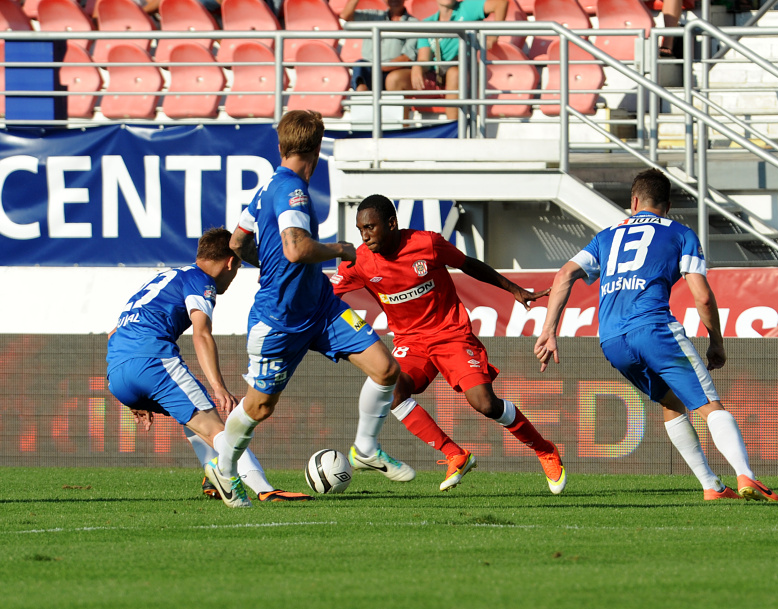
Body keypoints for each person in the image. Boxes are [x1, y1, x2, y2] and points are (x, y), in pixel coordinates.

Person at [535, 169, 778, 502]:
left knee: (671, 402)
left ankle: (711, 486)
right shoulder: (680, 233)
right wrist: (717, 343)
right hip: (653, 328)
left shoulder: (606, 235)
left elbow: (566, 274)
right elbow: (703, 296)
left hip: (611, 340)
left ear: (633, 201)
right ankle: (747, 477)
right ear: (667, 206)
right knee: (710, 404)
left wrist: (549, 331)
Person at [213, 111, 414, 509]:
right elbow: (295, 248)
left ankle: (365, 449)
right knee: (260, 406)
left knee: (387, 370)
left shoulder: (267, 184)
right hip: (281, 318)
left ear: (281, 146)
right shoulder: (293, 189)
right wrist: (340, 249)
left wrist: (268, 262)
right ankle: (224, 468)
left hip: (320, 306)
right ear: (318, 149)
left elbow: (237, 243)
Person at [331, 194, 567, 493]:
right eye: (360, 229)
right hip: (411, 342)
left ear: (392, 223)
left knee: (485, 403)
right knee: (393, 391)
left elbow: (469, 265)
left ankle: (544, 449)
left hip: (451, 334)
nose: (364, 235)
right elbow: (325, 294)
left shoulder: (426, 244)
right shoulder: (360, 260)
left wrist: (514, 289)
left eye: (370, 228)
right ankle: (454, 454)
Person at [106, 228, 313, 505]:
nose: (235, 273)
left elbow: (112, 335)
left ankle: (213, 479)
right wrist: (218, 386)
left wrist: (133, 396)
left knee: (195, 420)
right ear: (230, 262)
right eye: (238, 266)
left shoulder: (167, 277)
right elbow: (201, 332)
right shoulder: (200, 280)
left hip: (116, 374)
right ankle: (264, 488)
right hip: (153, 361)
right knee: (218, 429)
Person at [410, 0, 508, 121]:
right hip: (439, 74)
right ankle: (393, 132)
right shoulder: (428, 23)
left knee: (454, 73)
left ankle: (453, 132)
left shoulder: (467, 7)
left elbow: (501, 3)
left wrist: (494, 36)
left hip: (466, 71)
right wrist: (417, 66)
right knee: (395, 80)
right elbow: (424, 58)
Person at [340, 0, 418, 95]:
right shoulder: (373, 16)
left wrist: (380, 67)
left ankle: (365, 102)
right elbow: (345, 16)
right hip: (370, 70)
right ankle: (363, 100)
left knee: (392, 79)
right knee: (360, 66)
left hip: (394, 72)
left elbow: (407, 57)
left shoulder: (414, 23)